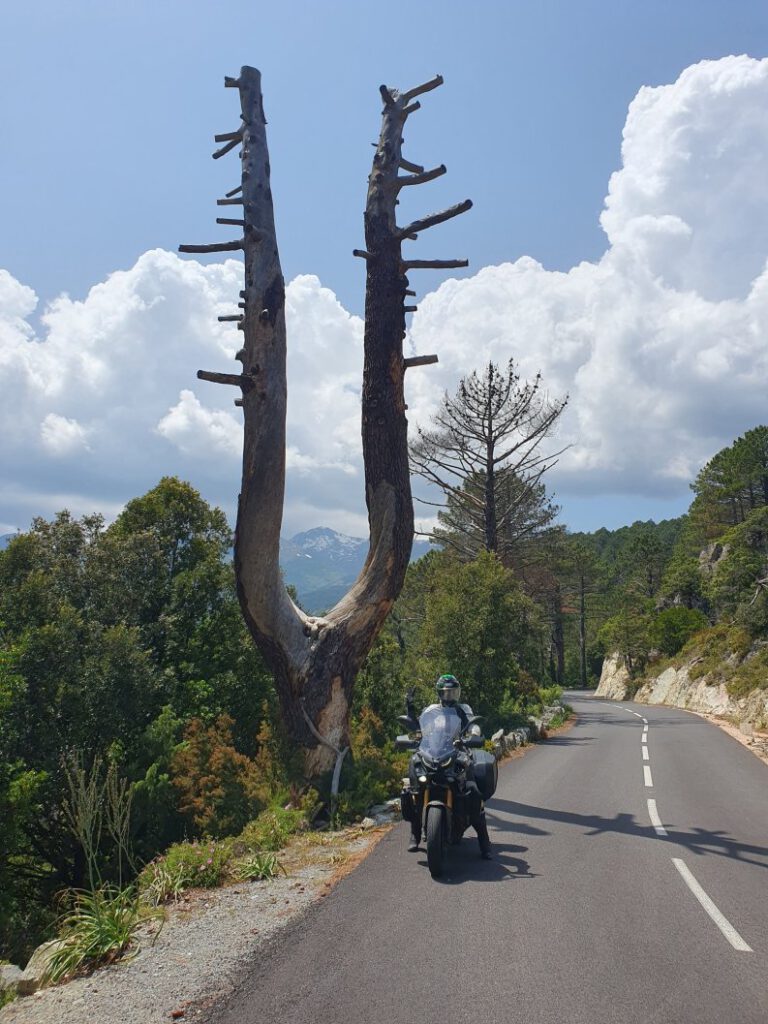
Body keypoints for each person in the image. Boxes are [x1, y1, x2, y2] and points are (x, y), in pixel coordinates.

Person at [405, 674, 492, 859]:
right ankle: (414, 833)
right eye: (446, 693)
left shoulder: (463, 709)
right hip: (433, 752)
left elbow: (472, 725)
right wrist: (410, 709)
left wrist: (473, 735)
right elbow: (418, 728)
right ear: (439, 693)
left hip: (458, 752)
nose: (450, 696)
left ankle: (484, 842)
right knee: (414, 785)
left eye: (453, 692)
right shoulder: (431, 710)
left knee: (473, 792)